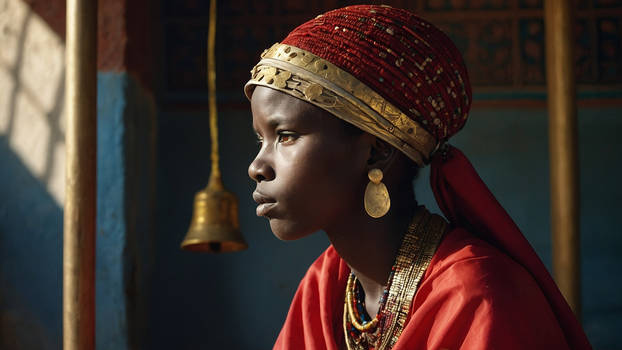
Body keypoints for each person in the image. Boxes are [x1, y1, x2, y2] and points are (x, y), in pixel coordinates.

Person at [244, 5, 592, 350]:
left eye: (285, 135)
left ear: (376, 151)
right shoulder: (323, 288)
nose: (257, 167)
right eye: (262, 139)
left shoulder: (477, 295)